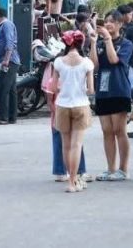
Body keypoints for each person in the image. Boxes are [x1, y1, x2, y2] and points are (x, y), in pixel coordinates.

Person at [89, 12, 133, 181]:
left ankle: (123, 169)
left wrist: (107, 39)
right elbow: (94, 65)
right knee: (106, 131)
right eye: (106, 21)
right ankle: (110, 169)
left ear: (120, 24)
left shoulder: (126, 44)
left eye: (112, 22)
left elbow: (114, 60)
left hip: (119, 90)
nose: (108, 24)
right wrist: (93, 43)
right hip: (103, 90)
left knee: (119, 130)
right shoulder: (101, 43)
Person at [53, 29, 95, 193]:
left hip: (63, 105)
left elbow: (53, 87)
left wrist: (64, 88)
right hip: (81, 104)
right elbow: (90, 90)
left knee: (66, 145)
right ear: (81, 44)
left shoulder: (58, 62)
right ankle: (73, 181)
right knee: (76, 145)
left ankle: (70, 181)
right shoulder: (87, 63)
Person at [0, 7, 20, 124]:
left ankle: (2, 118)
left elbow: (9, 42)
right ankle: (12, 117)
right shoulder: (3, 27)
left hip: (9, 61)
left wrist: (6, 59)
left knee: (3, 89)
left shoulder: (6, 25)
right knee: (11, 90)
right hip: (10, 61)